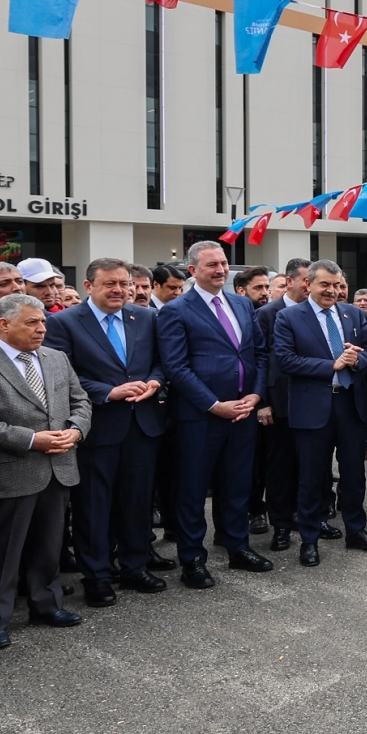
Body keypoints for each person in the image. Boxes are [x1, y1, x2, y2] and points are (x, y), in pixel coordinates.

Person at [0, 293, 92, 648]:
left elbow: (80, 401)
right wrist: (32, 440)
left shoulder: (56, 358)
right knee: (1, 550)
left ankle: (46, 604)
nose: (41, 328)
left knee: (49, 544)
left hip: (58, 465)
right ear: (3, 324)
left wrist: (76, 430)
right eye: (32, 322)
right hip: (8, 470)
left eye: (43, 321)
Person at [44, 258, 168, 606]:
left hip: (142, 424)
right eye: (109, 284)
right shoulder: (64, 322)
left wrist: (156, 381)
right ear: (88, 286)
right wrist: (106, 392)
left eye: (124, 283)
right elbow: (61, 374)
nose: (119, 290)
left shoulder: (146, 317)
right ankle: (96, 575)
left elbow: (161, 361)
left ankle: (134, 565)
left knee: (137, 501)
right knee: (94, 506)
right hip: (97, 427)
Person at [155, 241, 272, 589]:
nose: (220, 270)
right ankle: (192, 559)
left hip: (243, 411)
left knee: (236, 484)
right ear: (192, 270)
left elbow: (260, 355)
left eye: (223, 263)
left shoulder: (241, 304)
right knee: (192, 489)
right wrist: (213, 404)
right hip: (200, 416)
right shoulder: (176, 310)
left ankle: (238, 546)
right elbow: (176, 367)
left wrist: (255, 394)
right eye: (211, 265)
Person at [272, 260, 367, 566]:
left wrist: (357, 359)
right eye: (325, 284)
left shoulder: (354, 314)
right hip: (312, 407)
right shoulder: (289, 317)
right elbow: (285, 359)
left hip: (350, 404)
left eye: (336, 285)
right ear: (308, 283)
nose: (331, 290)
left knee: (354, 474)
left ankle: (355, 530)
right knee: (311, 476)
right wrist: (330, 365)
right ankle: (309, 539)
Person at [254, 258, 314, 550]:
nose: (310, 285)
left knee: (310, 466)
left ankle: (308, 519)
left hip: (312, 399)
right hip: (278, 403)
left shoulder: (317, 312)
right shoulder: (268, 313)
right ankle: (281, 525)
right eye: (306, 279)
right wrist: (262, 402)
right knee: (279, 466)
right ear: (289, 281)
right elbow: (259, 358)